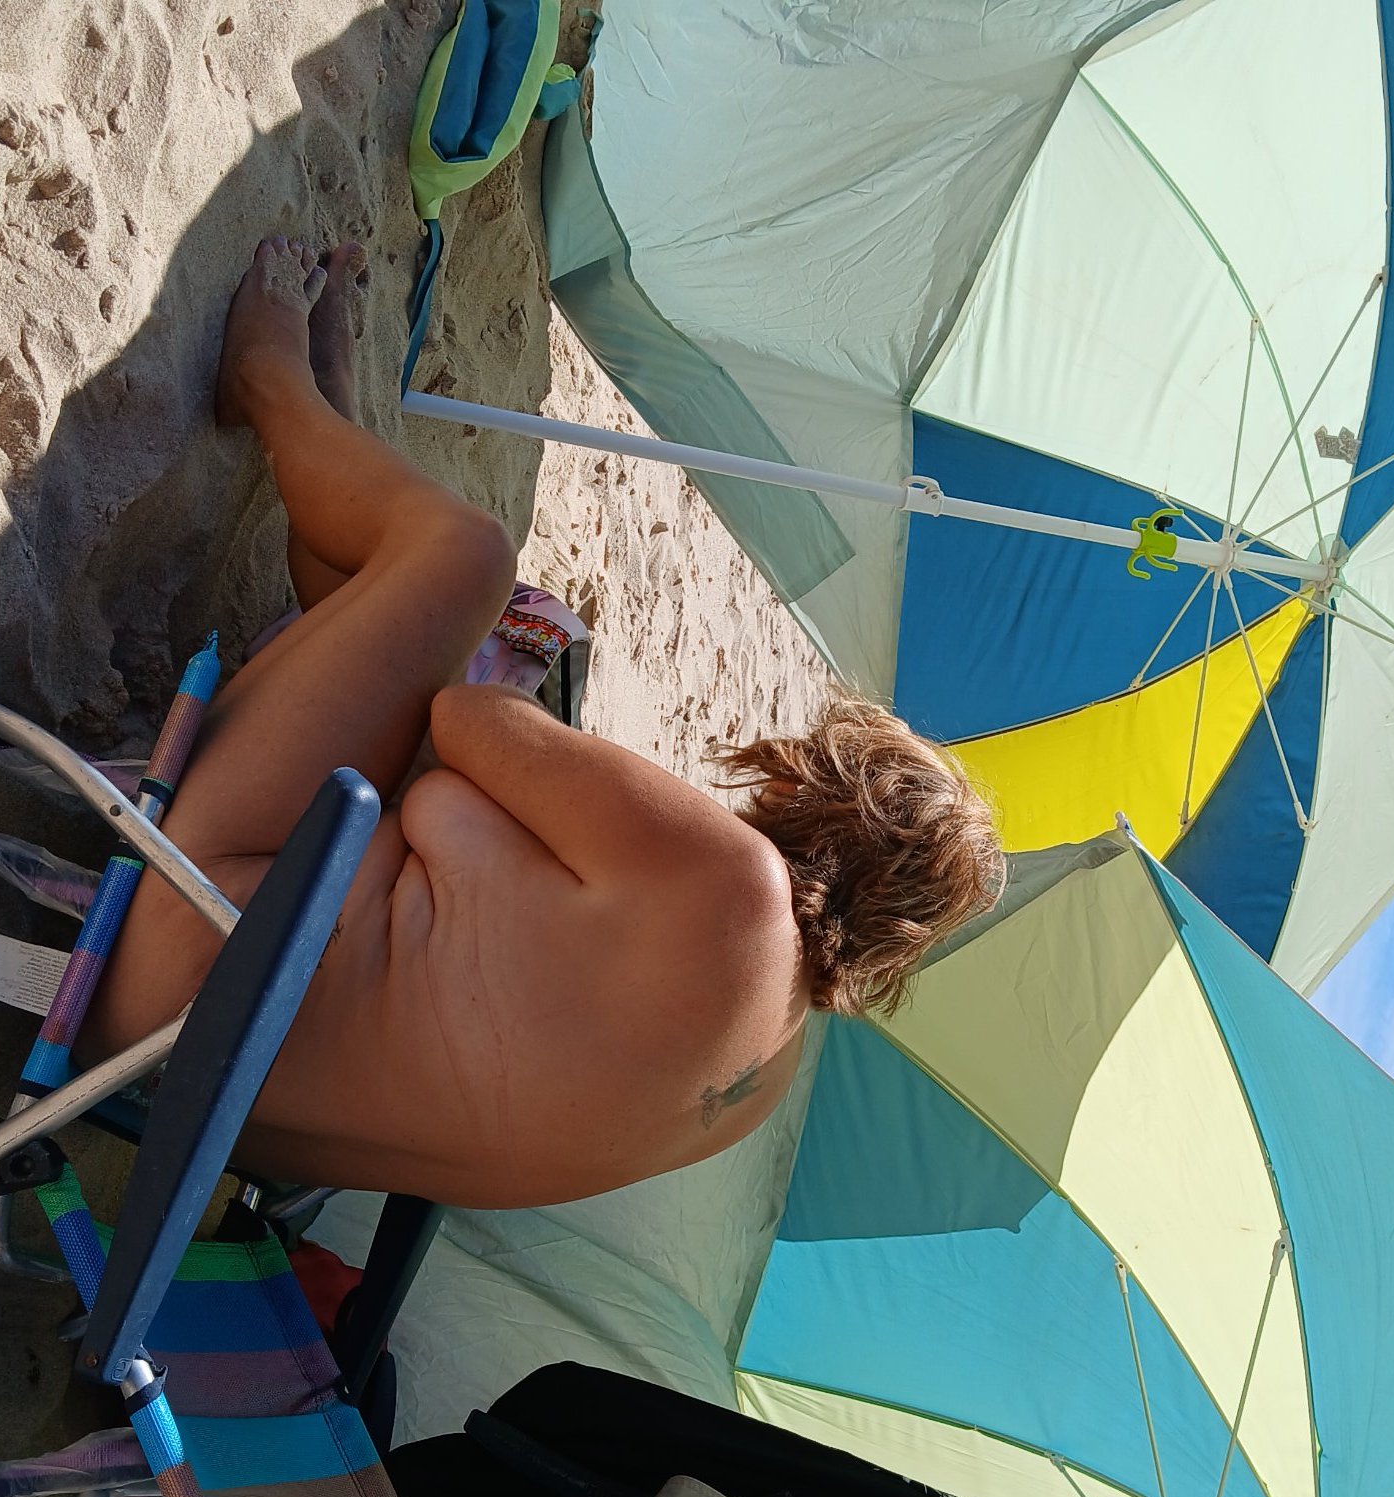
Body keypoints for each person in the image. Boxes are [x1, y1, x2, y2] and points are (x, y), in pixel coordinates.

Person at [90, 238, 1001, 1209]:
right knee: (418, 713)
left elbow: (464, 719)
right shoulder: (759, 1084)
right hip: (169, 1103)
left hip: (186, 948)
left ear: (816, 794)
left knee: (464, 565)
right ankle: (338, 435)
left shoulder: (737, 890)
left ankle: (267, 385)